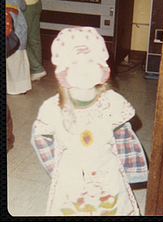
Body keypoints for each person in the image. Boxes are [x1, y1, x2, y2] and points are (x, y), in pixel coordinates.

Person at [31, 27, 147, 216]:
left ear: (102, 68)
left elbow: (125, 138)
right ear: (63, 71)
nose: (84, 69)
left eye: (91, 61)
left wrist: (130, 172)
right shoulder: (52, 109)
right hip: (71, 180)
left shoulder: (113, 103)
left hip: (108, 177)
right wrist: (57, 169)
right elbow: (41, 139)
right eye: (75, 62)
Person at [6, 0, 32, 94]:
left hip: (12, 42)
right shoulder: (17, 2)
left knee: (12, 67)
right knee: (20, 66)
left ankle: (15, 89)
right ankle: (22, 87)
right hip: (19, 40)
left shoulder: (8, 6)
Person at [21, 0, 46, 81]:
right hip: (36, 1)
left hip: (26, 4)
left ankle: (37, 69)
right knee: (34, 39)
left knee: (21, 40)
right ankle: (37, 71)